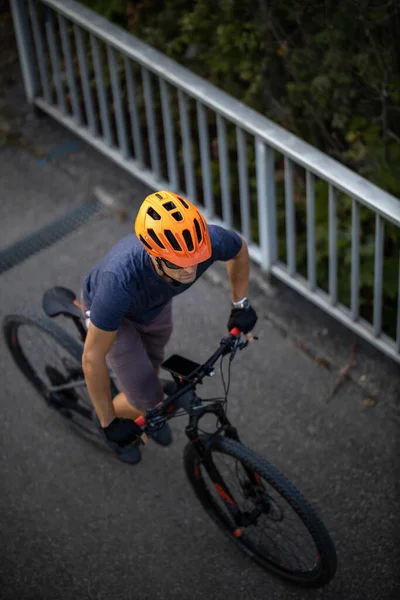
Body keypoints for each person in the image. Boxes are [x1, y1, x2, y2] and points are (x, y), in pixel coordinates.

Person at [81, 190, 257, 464]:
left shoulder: (208, 242)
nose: (190, 270)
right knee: (146, 397)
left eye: (196, 258)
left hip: (155, 306)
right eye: (179, 263)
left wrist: (240, 304)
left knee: (152, 363)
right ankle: (112, 417)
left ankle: (146, 399)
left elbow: (239, 250)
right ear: (154, 255)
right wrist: (108, 423)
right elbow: (92, 358)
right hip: (116, 318)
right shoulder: (118, 282)